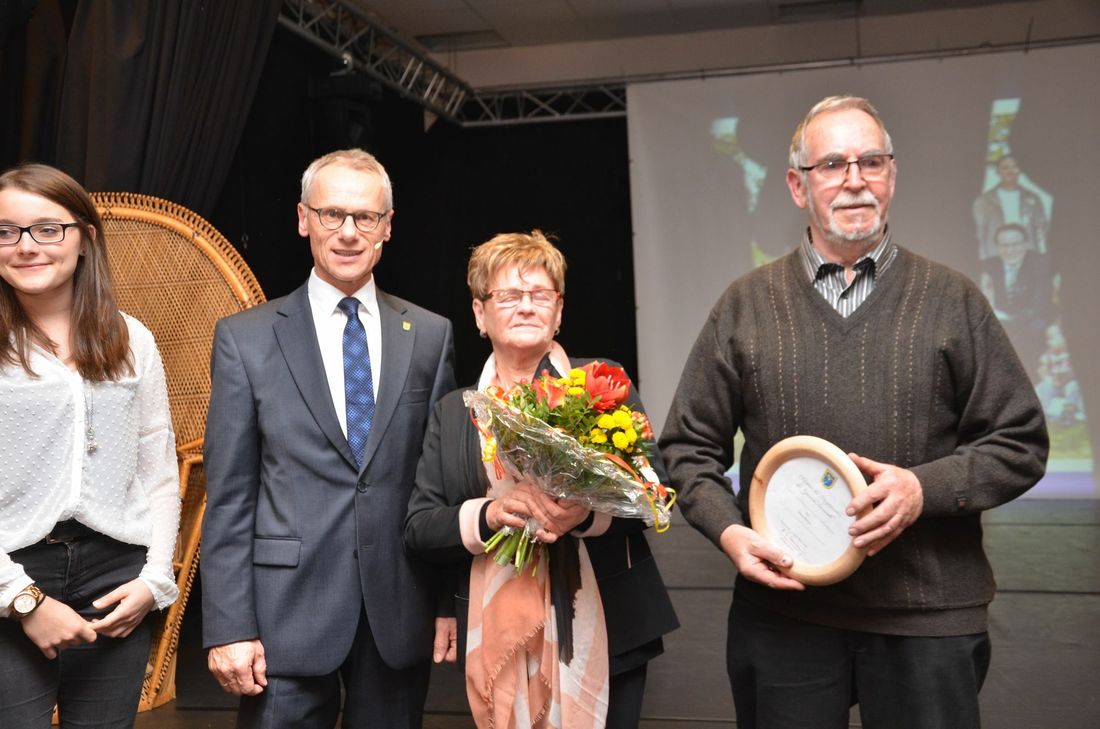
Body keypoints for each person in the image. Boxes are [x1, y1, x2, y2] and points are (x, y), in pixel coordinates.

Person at [659, 96, 1048, 729]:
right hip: (785, 614)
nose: (854, 178)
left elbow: (1020, 441)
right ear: (796, 185)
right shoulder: (747, 305)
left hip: (927, 615)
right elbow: (685, 448)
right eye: (833, 163)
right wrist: (729, 533)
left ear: (891, 175)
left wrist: (923, 489)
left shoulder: (953, 300)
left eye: (871, 161)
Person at [200, 149, 457, 729]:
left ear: (388, 227)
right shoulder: (247, 340)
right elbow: (231, 496)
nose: (347, 232)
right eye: (331, 214)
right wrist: (229, 626)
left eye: (365, 217)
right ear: (302, 219)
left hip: (398, 608)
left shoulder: (431, 336)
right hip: (282, 618)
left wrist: (448, 602)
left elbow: (437, 487)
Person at [405, 230, 678, 729]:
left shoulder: (601, 383)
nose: (526, 306)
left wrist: (586, 512)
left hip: (611, 625)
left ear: (559, 310)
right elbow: (421, 526)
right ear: (479, 315)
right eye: (508, 295)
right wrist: (489, 515)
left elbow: (655, 496)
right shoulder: (452, 412)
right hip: (497, 636)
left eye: (540, 295)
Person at [0, 163, 180, 728]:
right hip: (12, 571)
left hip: (116, 579)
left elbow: (158, 471)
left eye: (47, 228)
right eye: (6, 230)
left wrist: (154, 580)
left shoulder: (133, 339)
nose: (26, 246)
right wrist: (22, 600)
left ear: (85, 239)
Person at [979, 222, 1054, 381]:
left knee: (1035, 328)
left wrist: (1011, 321)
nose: (1010, 250)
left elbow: (1040, 303)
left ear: (1026, 244)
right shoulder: (988, 266)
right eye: (1004, 245)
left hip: (1031, 321)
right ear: (997, 247)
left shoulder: (1041, 264)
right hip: (999, 321)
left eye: (1015, 244)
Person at [973, 154, 1048, 261]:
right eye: (1005, 167)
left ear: (1020, 170)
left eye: (1014, 166)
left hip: (1027, 255)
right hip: (996, 255)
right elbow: (980, 232)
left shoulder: (1032, 198)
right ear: (998, 172)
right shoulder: (984, 201)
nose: (1010, 170)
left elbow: (1041, 229)